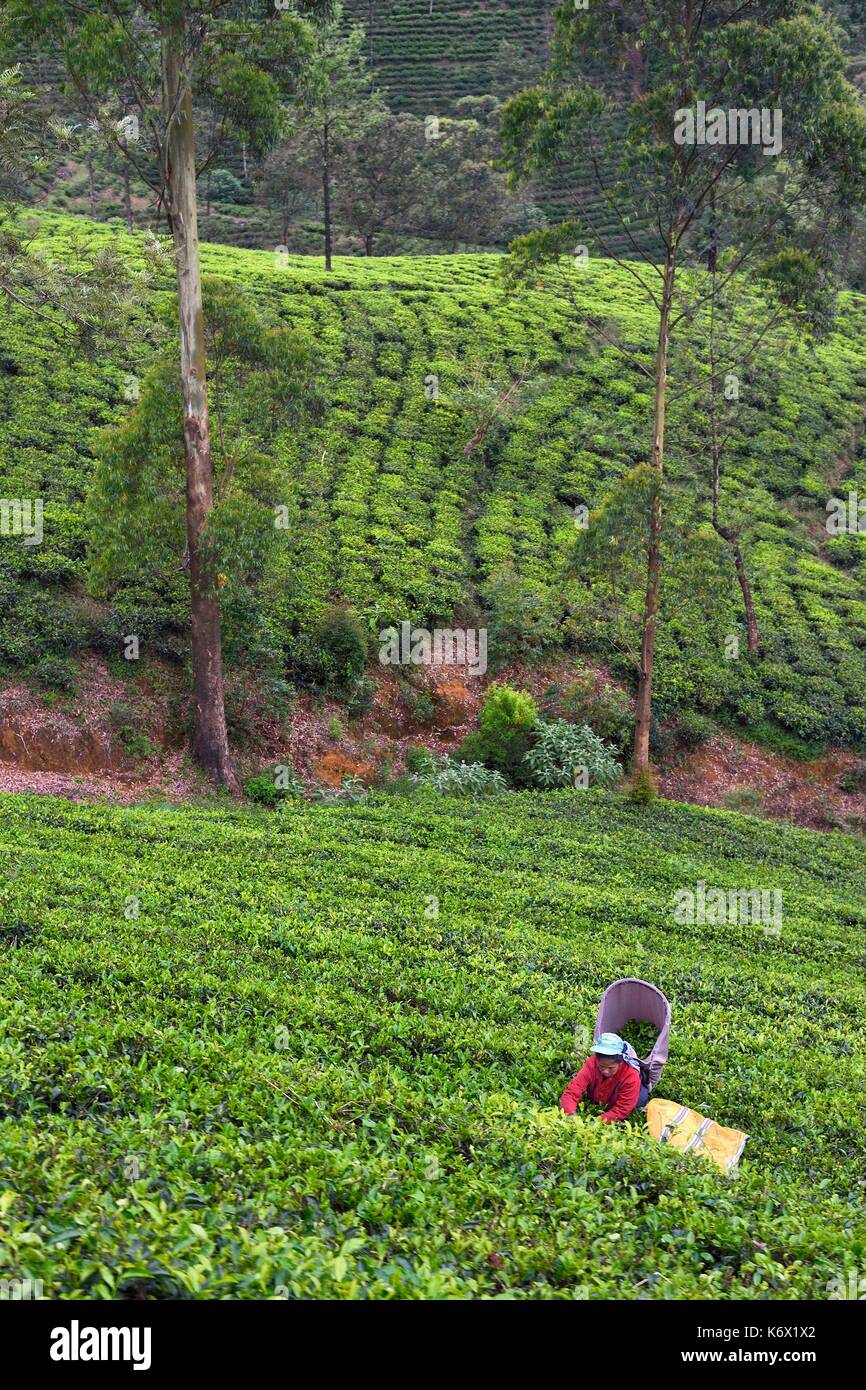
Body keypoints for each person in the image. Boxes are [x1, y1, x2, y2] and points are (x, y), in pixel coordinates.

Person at [560, 1032, 649, 1123]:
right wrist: (569, 1113)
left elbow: (623, 1108)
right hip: (600, 1098)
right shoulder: (592, 1063)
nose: (606, 1071)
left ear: (620, 1062)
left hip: (631, 1096)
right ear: (596, 1059)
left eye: (611, 1068)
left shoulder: (630, 1074)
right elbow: (573, 1091)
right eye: (602, 1066)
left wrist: (597, 1122)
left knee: (639, 1101)